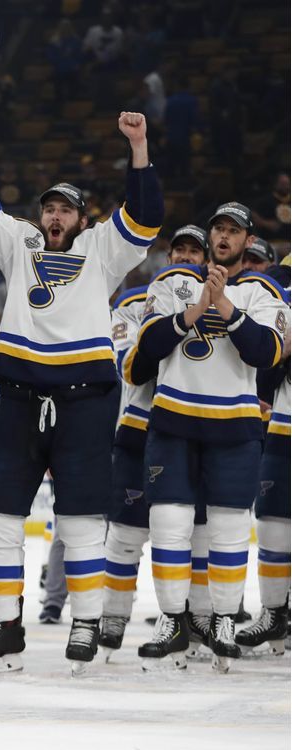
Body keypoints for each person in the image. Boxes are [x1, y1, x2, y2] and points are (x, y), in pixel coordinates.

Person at [0, 107, 163, 675]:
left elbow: (145, 216)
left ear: (81, 217)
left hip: (86, 400)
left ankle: (87, 621)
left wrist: (138, 146)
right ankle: (4, 625)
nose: (54, 215)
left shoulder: (102, 248)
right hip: (19, 396)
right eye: (48, 206)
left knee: (80, 519)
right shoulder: (19, 243)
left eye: (65, 208)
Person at [135, 202, 286, 673]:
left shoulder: (264, 291)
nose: (224, 237)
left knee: (227, 529)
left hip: (235, 424)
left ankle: (223, 619)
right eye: (217, 229)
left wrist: (225, 306)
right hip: (174, 418)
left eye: (233, 231)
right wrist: (198, 305)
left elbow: (268, 353)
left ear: (247, 240)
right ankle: (173, 618)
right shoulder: (171, 284)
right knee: (169, 524)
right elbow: (148, 348)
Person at [98, 225, 211, 661]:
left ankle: (194, 618)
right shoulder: (131, 303)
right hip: (138, 429)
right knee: (125, 533)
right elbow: (133, 366)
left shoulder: (218, 303)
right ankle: (112, 617)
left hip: (192, 432)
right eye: (178, 249)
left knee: (193, 534)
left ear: (204, 261)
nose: (184, 256)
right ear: (166, 258)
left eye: (192, 251)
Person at [236, 300, 290, 656]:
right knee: (271, 523)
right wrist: (285, 352)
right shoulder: (284, 313)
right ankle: (272, 613)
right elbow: (264, 382)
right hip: (283, 432)